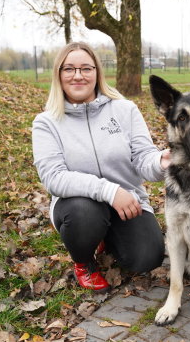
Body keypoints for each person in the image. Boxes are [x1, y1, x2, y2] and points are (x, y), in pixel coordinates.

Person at [32, 41, 170, 292]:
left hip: (127, 202)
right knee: (84, 214)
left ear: (97, 73)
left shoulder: (125, 109)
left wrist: (162, 161)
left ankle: (104, 237)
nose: (78, 75)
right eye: (69, 69)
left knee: (146, 258)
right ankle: (83, 261)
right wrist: (109, 191)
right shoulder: (46, 122)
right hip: (79, 205)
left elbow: (143, 158)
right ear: (59, 74)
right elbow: (54, 178)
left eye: (86, 68)